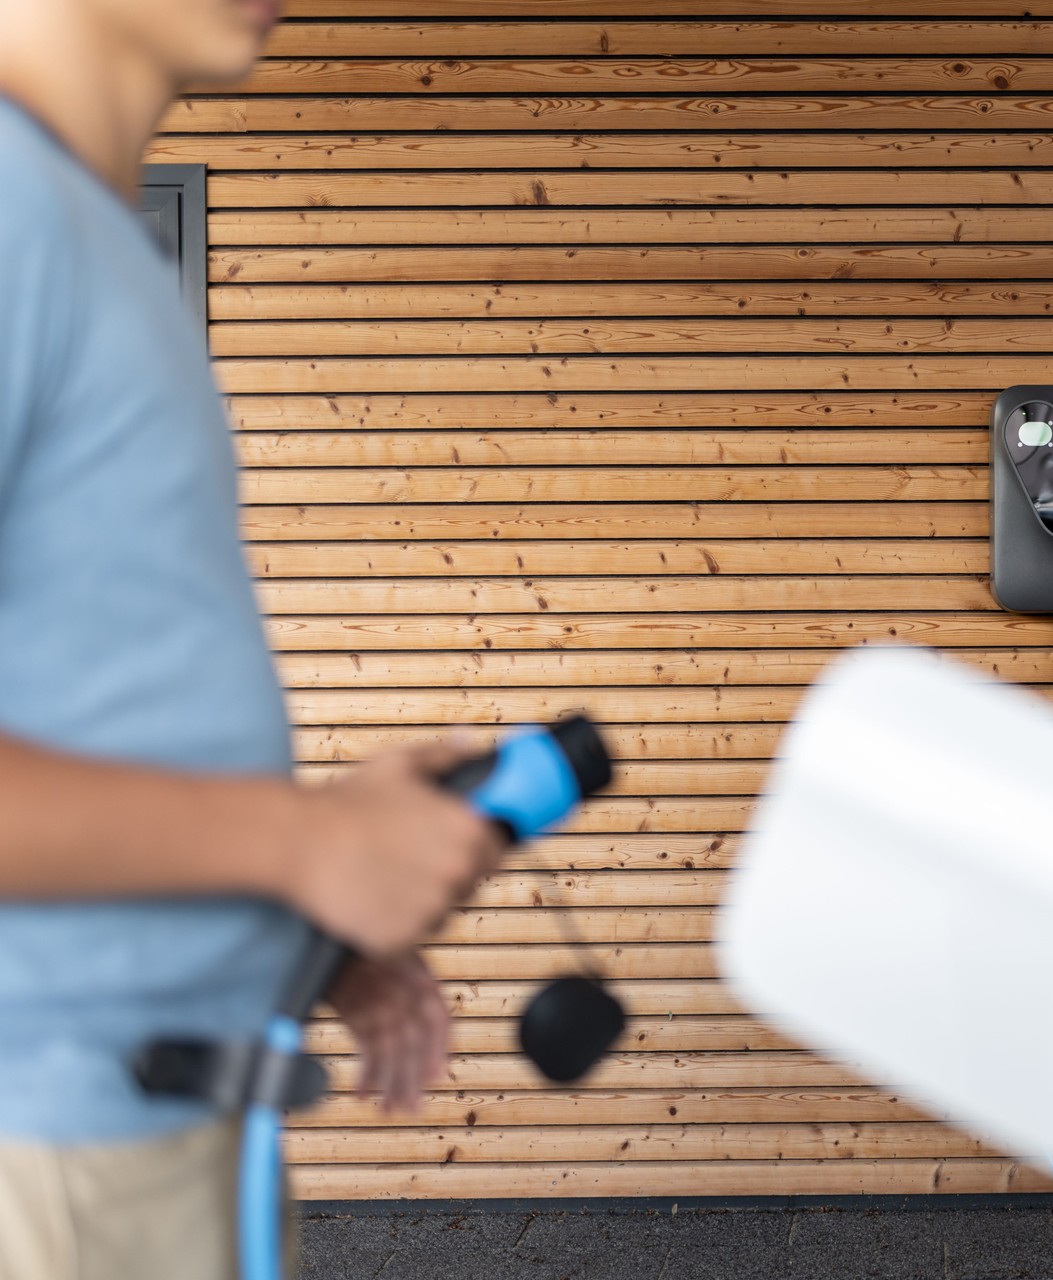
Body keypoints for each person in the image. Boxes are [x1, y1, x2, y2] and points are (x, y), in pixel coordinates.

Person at [0, 1, 510, 1275]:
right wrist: (305, 843)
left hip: (156, 1128)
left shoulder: (83, 232)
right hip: (55, 1162)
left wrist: (295, 921)